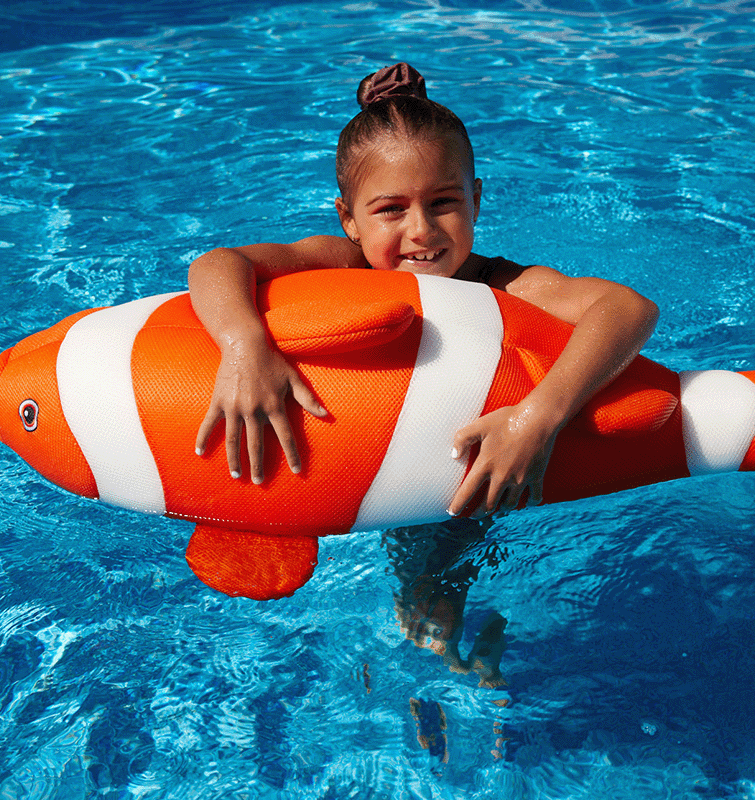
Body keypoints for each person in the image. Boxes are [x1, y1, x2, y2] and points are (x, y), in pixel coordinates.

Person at [188, 62, 659, 518]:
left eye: (443, 203)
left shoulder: (498, 282)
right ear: (349, 219)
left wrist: (538, 415)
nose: (421, 230)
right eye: (391, 209)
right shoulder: (345, 262)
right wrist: (244, 346)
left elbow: (627, 307)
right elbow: (218, 263)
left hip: (462, 458)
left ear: (475, 200)